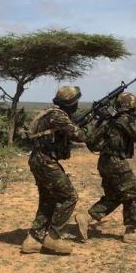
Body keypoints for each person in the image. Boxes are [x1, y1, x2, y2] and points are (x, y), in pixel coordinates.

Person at [21, 86, 87, 255]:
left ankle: (33, 240)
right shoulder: (58, 115)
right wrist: (85, 127)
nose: (77, 105)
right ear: (70, 102)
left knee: (48, 200)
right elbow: (79, 136)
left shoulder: (50, 112)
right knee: (69, 196)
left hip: (38, 159)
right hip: (45, 161)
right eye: (76, 102)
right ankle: (53, 237)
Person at [75, 92, 136, 243]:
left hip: (104, 161)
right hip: (116, 162)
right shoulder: (124, 119)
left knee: (113, 196)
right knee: (133, 195)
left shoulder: (110, 119)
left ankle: (86, 217)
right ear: (131, 106)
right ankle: (130, 231)